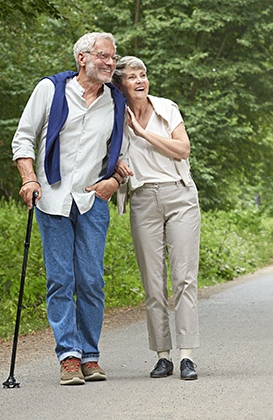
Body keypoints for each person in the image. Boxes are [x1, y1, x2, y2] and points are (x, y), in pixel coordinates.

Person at [11, 32, 126, 386]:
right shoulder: (50, 90)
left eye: (113, 58)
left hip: (92, 199)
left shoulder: (115, 101)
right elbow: (24, 137)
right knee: (61, 280)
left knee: (91, 280)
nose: (110, 63)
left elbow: (122, 151)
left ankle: (91, 355)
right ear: (82, 58)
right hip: (52, 198)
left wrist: (114, 183)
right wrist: (30, 178)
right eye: (104, 56)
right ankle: (69, 356)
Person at [112, 56, 202, 380]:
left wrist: (142, 132)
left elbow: (183, 149)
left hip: (179, 196)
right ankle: (163, 355)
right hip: (143, 200)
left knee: (184, 278)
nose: (140, 80)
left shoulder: (167, 108)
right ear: (121, 84)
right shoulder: (114, 118)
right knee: (153, 282)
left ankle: (187, 356)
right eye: (133, 76)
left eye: (144, 74)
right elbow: (109, 156)